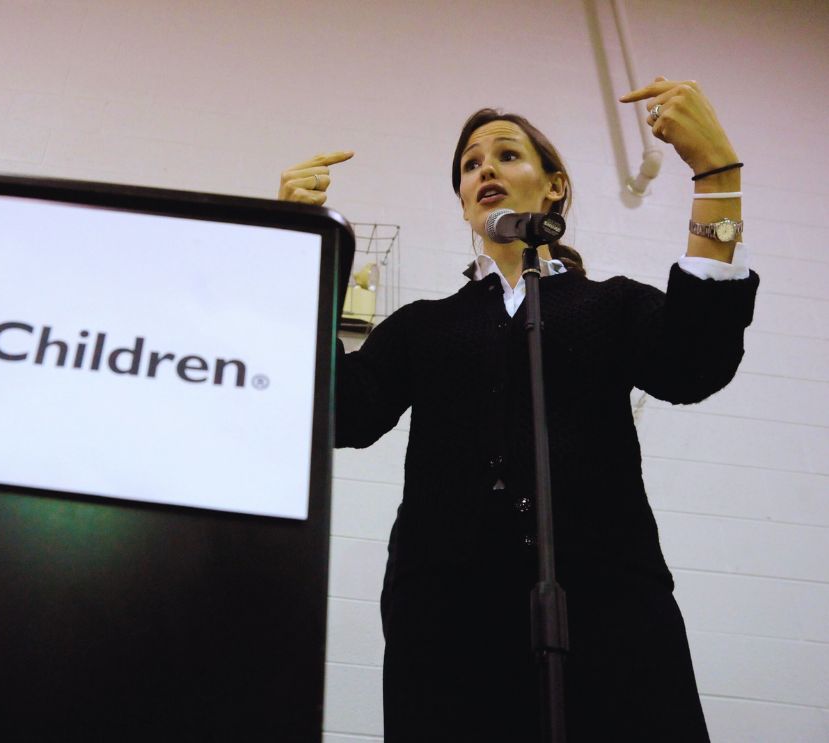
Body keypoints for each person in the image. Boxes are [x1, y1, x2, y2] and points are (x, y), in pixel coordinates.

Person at [279, 78, 758, 741]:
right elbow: (340, 411)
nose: (485, 170)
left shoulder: (610, 305)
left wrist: (716, 176)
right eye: (470, 165)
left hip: (608, 609)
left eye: (506, 155)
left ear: (554, 186)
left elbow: (693, 361)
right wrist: (299, 249)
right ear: (462, 202)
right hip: (447, 621)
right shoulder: (423, 326)